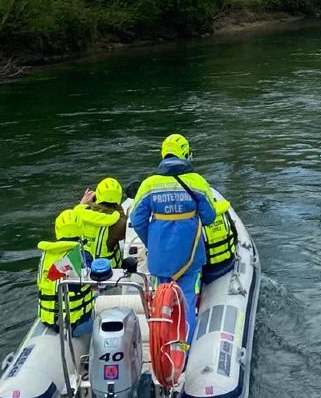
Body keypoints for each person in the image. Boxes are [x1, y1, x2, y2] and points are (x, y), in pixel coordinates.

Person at [128, 134, 218, 343]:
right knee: (186, 299)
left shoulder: (149, 184)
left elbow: (137, 219)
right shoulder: (197, 182)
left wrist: (152, 242)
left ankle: (161, 345)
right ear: (186, 154)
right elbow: (209, 216)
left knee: (162, 301)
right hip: (190, 255)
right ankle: (183, 351)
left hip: (160, 257)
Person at [37, 177, 127, 330]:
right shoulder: (81, 256)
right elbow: (91, 286)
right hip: (81, 315)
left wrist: (81, 205)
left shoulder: (46, 255)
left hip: (50, 319)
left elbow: (55, 276)